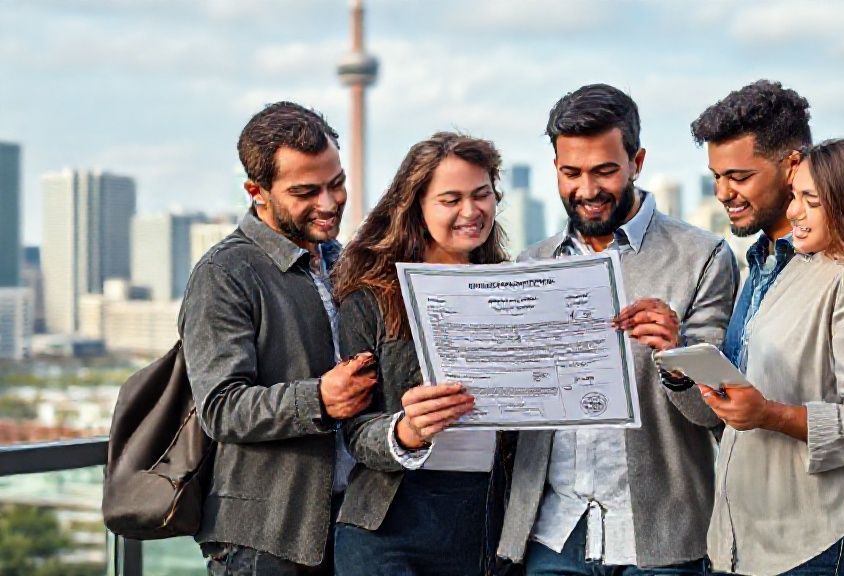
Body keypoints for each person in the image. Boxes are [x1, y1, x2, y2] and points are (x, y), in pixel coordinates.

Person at [498, 83, 739, 575]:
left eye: (605, 170)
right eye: (571, 173)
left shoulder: (704, 258)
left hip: (661, 538)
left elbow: (717, 416)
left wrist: (679, 354)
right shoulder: (532, 263)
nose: (587, 190)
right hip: (552, 534)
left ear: (636, 160)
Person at [698, 138, 844, 575]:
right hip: (749, 543)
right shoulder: (785, 272)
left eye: (811, 201)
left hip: (820, 545)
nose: (793, 212)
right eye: (795, 196)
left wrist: (767, 413)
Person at [180, 101, 376, 575]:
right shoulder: (224, 274)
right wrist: (321, 399)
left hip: (353, 526)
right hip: (265, 541)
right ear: (257, 191)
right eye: (306, 191)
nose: (329, 203)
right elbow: (221, 408)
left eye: (336, 183)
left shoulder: (343, 261)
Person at [331, 132, 514, 576]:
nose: (471, 212)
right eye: (450, 199)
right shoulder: (372, 298)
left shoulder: (515, 289)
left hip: (487, 527)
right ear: (416, 206)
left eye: (481, 195)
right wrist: (406, 431)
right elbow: (354, 431)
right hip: (387, 527)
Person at [690, 80, 812, 373]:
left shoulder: (840, 272)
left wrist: (769, 414)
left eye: (739, 177)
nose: (722, 193)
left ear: (792, 166)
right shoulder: (757, 263)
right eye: (716, 177)